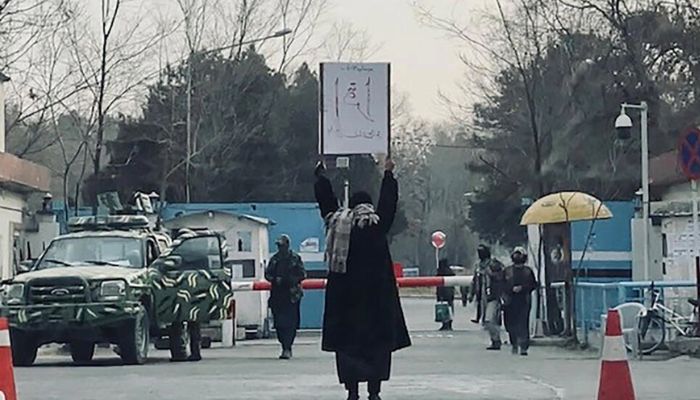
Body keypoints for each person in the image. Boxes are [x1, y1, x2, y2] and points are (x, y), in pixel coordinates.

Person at [315, 158, 411, 400]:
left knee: (348, 348)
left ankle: (352, 391)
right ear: (369, 205)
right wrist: (388, 175)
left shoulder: (338, 224)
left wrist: (321, 177)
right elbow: (389, 204)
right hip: (376, 304)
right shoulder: (377, 226)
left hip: (346, 305)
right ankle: (374, 391)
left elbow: (326, 204)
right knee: (376, 349)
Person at [265, 234, 306, 360]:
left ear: (287, 245)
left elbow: (302, 274)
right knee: (279, 323)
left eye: (282, 245)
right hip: (278, 295)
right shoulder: (275, 259)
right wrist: (275, 280)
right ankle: (284, 344)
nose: (280, 248)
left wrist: (290, 280)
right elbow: (268, 274)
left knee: (291, 323)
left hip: (291, 295)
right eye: (278, 246)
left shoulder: (295, 258)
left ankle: (287, 347)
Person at [503, 246, 537, 356]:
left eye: (520, 254)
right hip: (510, 301)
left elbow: (533, 285)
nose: (517, 256)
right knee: (510, 323)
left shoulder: (528, 271)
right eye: (516, 254)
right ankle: (514, 343)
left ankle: (523, 346)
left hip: (524, 300)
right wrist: (509, 290)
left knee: (523, 323)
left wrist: (522, 288)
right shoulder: (507, 271)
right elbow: (502, 285)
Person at [474, 244, 505, 350]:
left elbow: (502, 277)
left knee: (489, 319)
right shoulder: (478, 265)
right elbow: (475, 280)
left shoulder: (494, 264)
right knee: (485, 322)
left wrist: (491, 274)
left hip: (493, 295)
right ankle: (494, 340)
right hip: (483, 296)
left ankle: (497, 339)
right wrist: (472, 293)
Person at [436, 258, 455, 331]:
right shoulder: (450, 271)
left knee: (443, 309)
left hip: (443, 293)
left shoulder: (441, 271)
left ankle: (445, 324)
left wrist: (439, 295)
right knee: (449, 309)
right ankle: (449, 324)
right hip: (450, 294)